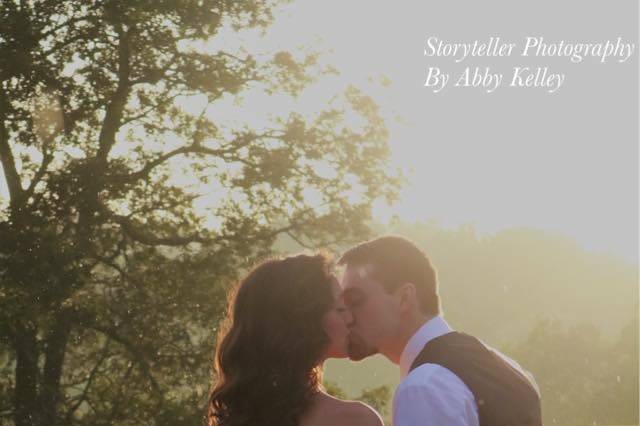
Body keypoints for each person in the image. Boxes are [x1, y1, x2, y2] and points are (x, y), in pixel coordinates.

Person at [339, 235, 542, 426]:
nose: (345, 316)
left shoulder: (423, 387)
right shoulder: (512, 369)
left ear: (404, 299)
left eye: (355, 301)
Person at [207, 253, 383, 426]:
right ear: (306, 321)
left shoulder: (237, 414)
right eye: (340, 309)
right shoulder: (355, 420)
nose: (350, 319)